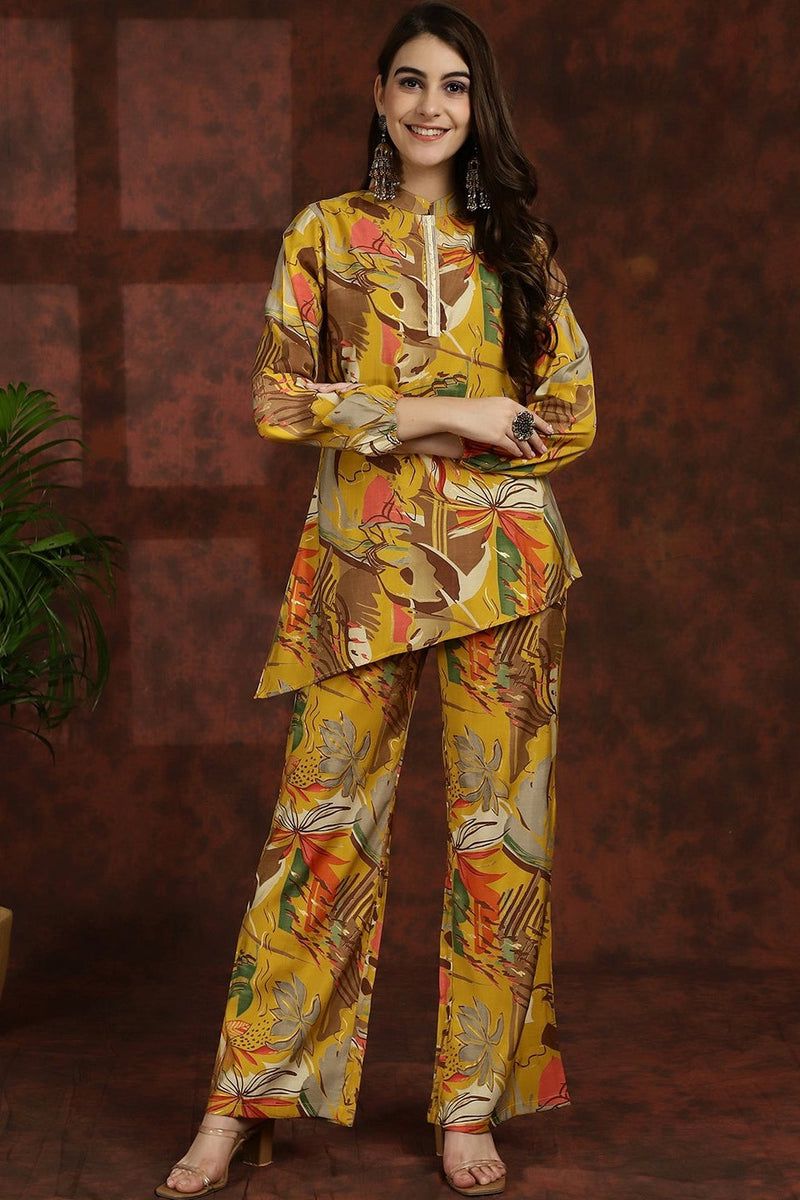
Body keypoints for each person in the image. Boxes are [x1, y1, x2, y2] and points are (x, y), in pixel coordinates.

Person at [154, 2, 596, 1197]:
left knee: (498, 845)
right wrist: (446, 415)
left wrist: (438, 436)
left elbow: (567, 415)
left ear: (476, 104)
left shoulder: (518, 250)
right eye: (409, 82)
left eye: (452, 86)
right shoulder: (325, 233)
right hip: (359, 571)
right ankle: (240, 1100)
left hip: (505, 574)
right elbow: (278, 399)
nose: (429, 106)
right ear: (379, 96)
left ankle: (468, 1108)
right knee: (317, 831)